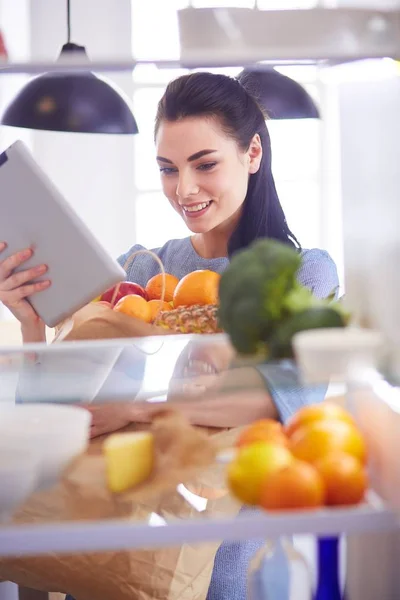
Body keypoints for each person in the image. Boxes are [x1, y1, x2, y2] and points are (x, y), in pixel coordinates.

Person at [0, 71, 339, 600]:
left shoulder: (302, 274)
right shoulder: (136, 269)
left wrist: (134, 411)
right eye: (167, 169)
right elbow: (53, 411)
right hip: (114, 553)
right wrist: (32, 322)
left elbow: (275, 400)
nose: (184, 189)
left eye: (205, 165)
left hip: (225, 566)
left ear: (253, 153)